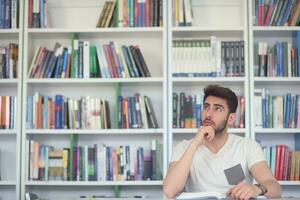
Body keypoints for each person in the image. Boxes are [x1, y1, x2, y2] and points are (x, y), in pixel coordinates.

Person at [163, 85, 281, 199]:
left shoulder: (247, 146)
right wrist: (195, 143)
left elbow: (274, 188)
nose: (208, 114)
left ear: (231, 118)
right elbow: (169, 191)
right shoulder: (183, 147)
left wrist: (257, 189)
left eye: (217, 109)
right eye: (206, 107)